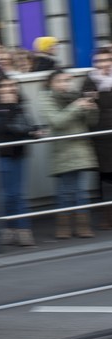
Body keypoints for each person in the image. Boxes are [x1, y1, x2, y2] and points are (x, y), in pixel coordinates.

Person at [40, 69, 99, 239]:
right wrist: (77, 106)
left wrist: (92, 109)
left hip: (81, 149)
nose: (64, 84)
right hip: (63, 150)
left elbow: (91, 122)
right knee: (65, 190)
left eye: (67, 80)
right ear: (51, 84)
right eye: (59, 81)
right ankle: (63, 227)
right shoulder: (47, 99)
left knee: (81, 190)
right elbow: (57, 121)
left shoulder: (76, 97)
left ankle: (83, 226)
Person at [0, 77, 42, 246]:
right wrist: (10, 106)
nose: (9, 89)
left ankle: (23, 230)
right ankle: (7, 229)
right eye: (4, 86)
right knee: (6, 195)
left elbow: (27, 127)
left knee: (19, 194)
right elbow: (2, 128)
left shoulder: (21, 106)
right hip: (2, 155)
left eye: (12, 86)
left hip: (19, 154)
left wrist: (36, 131)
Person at [82, 48, 112, 229]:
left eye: (106, 60)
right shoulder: (89, 80)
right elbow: (88, 107)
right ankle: (107, 216)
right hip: (101, 135)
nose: (103, 64)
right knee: (105, 175)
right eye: (99, 61)